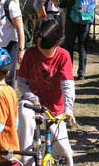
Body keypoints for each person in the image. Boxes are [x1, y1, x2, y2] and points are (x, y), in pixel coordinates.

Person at [17, 19, 76, 166]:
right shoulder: (30, 54)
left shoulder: (63, 56)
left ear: (56, 43)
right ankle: (25, 159)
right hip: (32, 103)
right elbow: (22, 83)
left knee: (66, 153)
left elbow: (68, 86)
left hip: (54, 108)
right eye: (38, 45)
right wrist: (34, 99)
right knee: (24, 114)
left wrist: (68, 110)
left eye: (45, 47)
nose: (40, 49)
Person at [59, 0, 90, 80]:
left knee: (69, 47)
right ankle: (82, 71)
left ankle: (68, 71)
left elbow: (61, 7)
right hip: (84, 22)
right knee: (82, 47)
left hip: (71, 23)